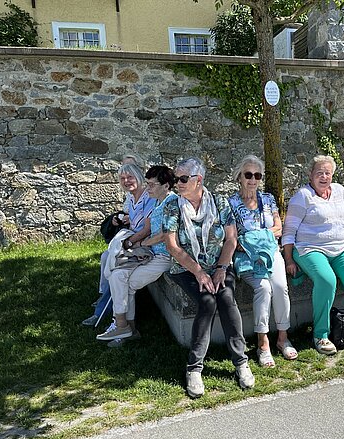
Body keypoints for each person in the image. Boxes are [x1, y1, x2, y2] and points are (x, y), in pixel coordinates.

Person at [163, 158, 254, 398]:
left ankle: (241, 362)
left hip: (219, 265)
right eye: (176, 179)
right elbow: (172, 246)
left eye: (183, 179)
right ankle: (194, 368)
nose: (178, 183)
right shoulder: (172, 206)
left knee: (226, 297)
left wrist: (222, 268)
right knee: (207, 301)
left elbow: (231, 239)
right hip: (186, 268)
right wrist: (199, 272)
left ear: (199, 180)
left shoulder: (219, 202)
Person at [282, 155, 344, 356]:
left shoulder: (339, 191)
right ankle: (321, 334)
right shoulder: (302, 196)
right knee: (327, 280)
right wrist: (289, 259)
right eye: (319, 173)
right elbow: (289, 230)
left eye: (327, 173)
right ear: (310, 175)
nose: (324, 177)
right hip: (309, 248)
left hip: (341, 247)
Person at [228, 155, 298, 367]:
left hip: (270, 252)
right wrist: (262, 237)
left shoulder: (268, 199)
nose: (253, 180)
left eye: (257, 176)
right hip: (247, 257)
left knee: (281, 287)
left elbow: (279, 228)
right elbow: (233, 239)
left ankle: (283, 338)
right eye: (248, 175)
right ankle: (263, 343)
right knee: (264, 288)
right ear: (240, 177)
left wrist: (252, 238)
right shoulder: (230, 203)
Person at [95, 166, 177, 345]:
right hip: (152, 253)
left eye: (152, 185)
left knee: (124, 282)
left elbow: (165, 235)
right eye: (147, 184)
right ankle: (126, 327)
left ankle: (124, 327)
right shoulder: (158, 201)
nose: (148, 188)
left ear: (166, 185)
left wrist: (138, 244)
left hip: (165, 256)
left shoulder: (172, 203)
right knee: (118, 275)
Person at [82, 155, 156, 327]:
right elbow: (135, 219)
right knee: (109, 258)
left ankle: (103, 314)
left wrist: (128, 243)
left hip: (145, 245)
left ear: (139, 175)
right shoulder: (132, 197)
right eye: (122, 178)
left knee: (116, 267)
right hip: (134, 241)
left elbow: (147, 229)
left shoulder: (149, 197)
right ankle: (106, 305)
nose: (126, 181)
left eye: (130, 177)